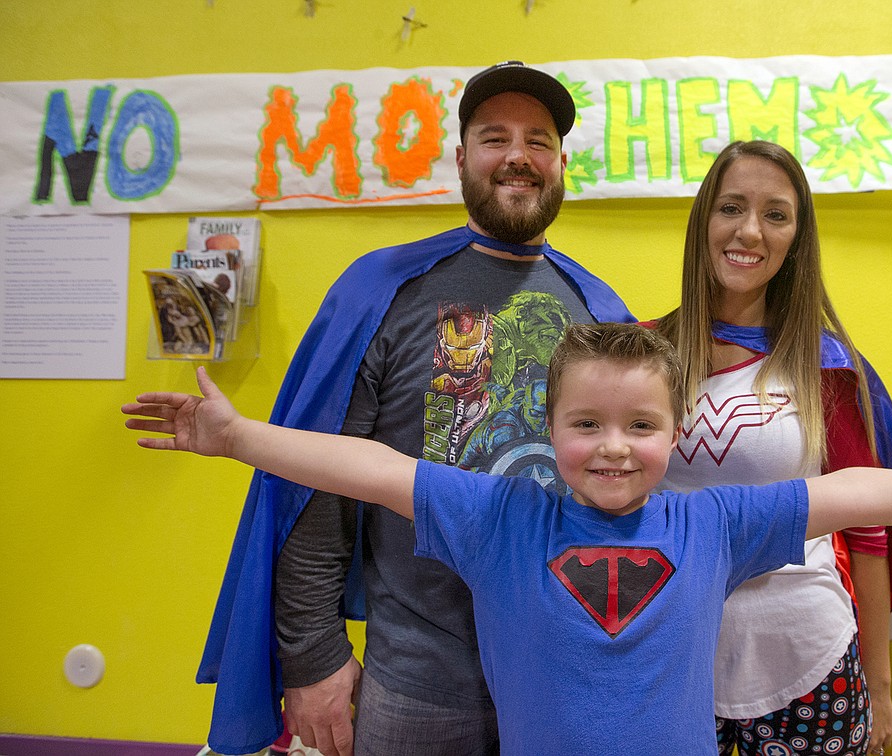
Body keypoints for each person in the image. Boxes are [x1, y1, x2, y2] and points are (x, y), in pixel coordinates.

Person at [122, 322, 892, 756]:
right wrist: (238, 437)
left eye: (640, 427)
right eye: (586, 425)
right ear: (549, 432)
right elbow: (372, 469)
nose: (613, 448)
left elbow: (849, 494)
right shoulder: (505, 516)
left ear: (677, 438)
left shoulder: (712, 520)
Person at [194, 61, 633, 756]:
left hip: (566, 676)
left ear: (560, 163)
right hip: (420, 688)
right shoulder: (383, 291)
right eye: (495, 138)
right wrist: (312, 657)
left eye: (538, 140)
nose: (518, 155)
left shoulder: (599, 309)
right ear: (461, 159)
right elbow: (317, 490)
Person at [654, 140, 892, 756]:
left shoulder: (827, 367)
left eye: (776, 214)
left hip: (807, 663)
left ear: (797, 237)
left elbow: (869, 528)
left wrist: (879, 686)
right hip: (674, 659)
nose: (750, 230)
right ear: (704, 222)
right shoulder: (647, 351)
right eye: (732, 207)